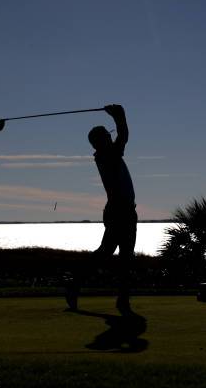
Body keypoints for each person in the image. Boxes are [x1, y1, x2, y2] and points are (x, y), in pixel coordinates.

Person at [66, 104, 138, 316]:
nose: (111, 137)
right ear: (101, 141)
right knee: (108, 253)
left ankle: (122, 300)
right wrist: (119, 114)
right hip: (119, 212)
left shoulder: (108, 154)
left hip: (126, 211)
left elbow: (122, 137)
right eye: (107, 135)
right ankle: (75, 285)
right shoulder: (108, 156)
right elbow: (123, 135)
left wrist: (118, 115)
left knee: (123, 255)